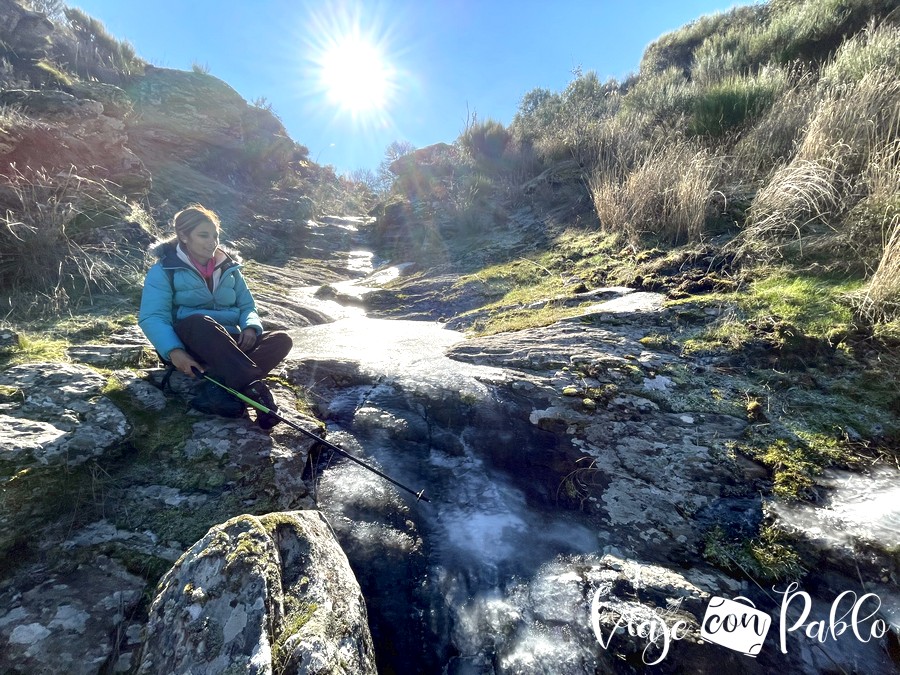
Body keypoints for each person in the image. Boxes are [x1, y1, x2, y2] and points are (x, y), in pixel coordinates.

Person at [138, 204, 293, 429]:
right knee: (199, 322)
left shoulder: (230, 268)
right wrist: (175, 352)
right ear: (183, 236)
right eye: (203, 235)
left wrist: (250, 327)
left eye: (215, 235)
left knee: (281, 340)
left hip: (230, 343)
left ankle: (219, 391)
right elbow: (152, 316)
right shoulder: (164, 270)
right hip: (190, 341)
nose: (212, 241)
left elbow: (247, 305)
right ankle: (256, 390)